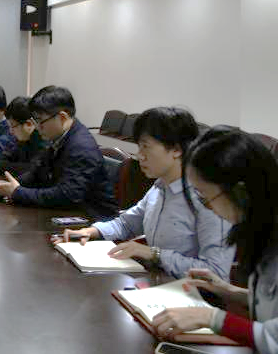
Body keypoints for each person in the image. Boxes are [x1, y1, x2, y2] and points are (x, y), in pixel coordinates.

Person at [55, 107, 234, 279]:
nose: (139, 155)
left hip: (190, 292)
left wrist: (155, 254)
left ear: (176, 150)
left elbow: (216, 272)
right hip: (157, 281)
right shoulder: (160, 187)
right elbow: (126, 224)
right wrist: (92, 231)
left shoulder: (207, 198)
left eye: (146, 147)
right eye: (139, 147)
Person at [152, 128, 278, 350]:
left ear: (240, 192)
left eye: (206, 197)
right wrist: (230, 292)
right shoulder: (262, 229)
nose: (207, 207)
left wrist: (211, 317)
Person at [0, 85, 118, 219]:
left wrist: (18, 192)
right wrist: (9, 186)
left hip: (93, 218)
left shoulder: (81, 147)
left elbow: (68, 195)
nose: (37, 127)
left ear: (62, 117)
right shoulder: (61, 136)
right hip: (69, 213)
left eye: (40, 121)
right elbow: (37, 172)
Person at [0, 96, 48, 178]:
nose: (11, 131)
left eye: (13, 126)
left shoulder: (44, 139)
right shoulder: (24, 138)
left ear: (29, 124)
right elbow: (11, 157)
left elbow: (32, 168)